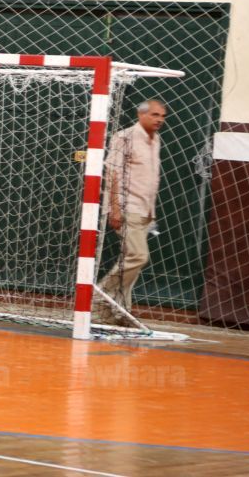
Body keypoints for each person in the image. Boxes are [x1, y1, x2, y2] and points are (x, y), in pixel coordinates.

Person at [96, 100, 167, 326]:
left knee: (130, 263)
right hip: (128, 207)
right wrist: (115, 209)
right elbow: (113, 174)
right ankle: (100, 294)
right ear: (140, 115)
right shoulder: (124, 137)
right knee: (138, 256)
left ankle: (118, 313)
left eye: (163, 116)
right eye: (155, 115)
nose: (160, 119)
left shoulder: (156, 139)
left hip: (146, 210)